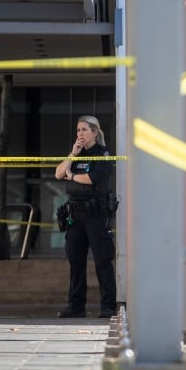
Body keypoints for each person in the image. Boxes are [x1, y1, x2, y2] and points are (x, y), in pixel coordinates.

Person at [54, 115, 117, 319]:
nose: (80, 133)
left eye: (84, 130)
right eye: (78, 130)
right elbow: (58, 173)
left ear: (95, 132)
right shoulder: (77, 154)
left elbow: (92, 178)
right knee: (76, 261)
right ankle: (76, 306)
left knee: (102, 260)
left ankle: (107, 306)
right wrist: (73, 154)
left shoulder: (102, 154)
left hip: (96, 213)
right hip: (76, 213)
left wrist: (71, 176)